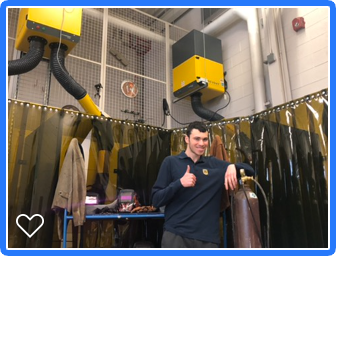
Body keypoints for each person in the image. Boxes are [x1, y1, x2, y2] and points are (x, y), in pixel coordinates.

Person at [151, 121, 254, 248]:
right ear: (187, 139)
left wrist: (233, 166)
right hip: (176, 236)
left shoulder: (214, 164)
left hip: (208, 240)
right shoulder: (171, 162)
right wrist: (180, 183)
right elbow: (156, 200)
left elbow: (250, 170)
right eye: (197, 139)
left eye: (205, 139)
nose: (201, 143)